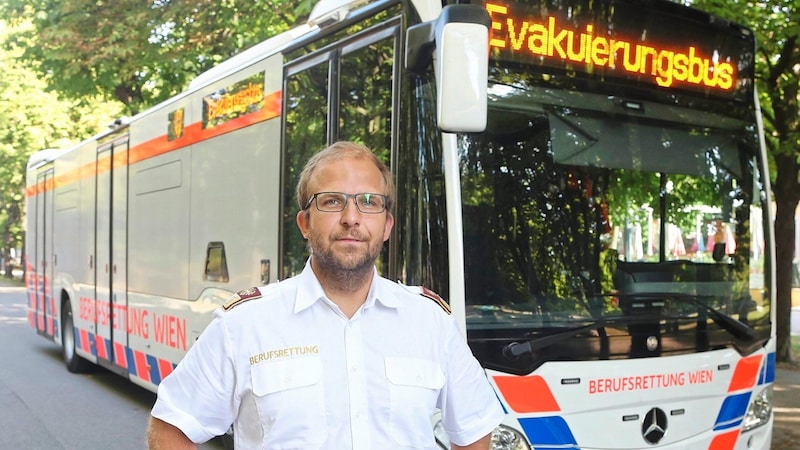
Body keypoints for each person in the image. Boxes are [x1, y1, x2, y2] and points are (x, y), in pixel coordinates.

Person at [146, 141, 505, 449]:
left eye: (369, 202)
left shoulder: (431, 323)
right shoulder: (244, 324)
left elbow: (473, 430)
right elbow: (171, 426)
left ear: (387, 226)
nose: (352, 217)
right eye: (332, 202)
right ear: (305, 223)